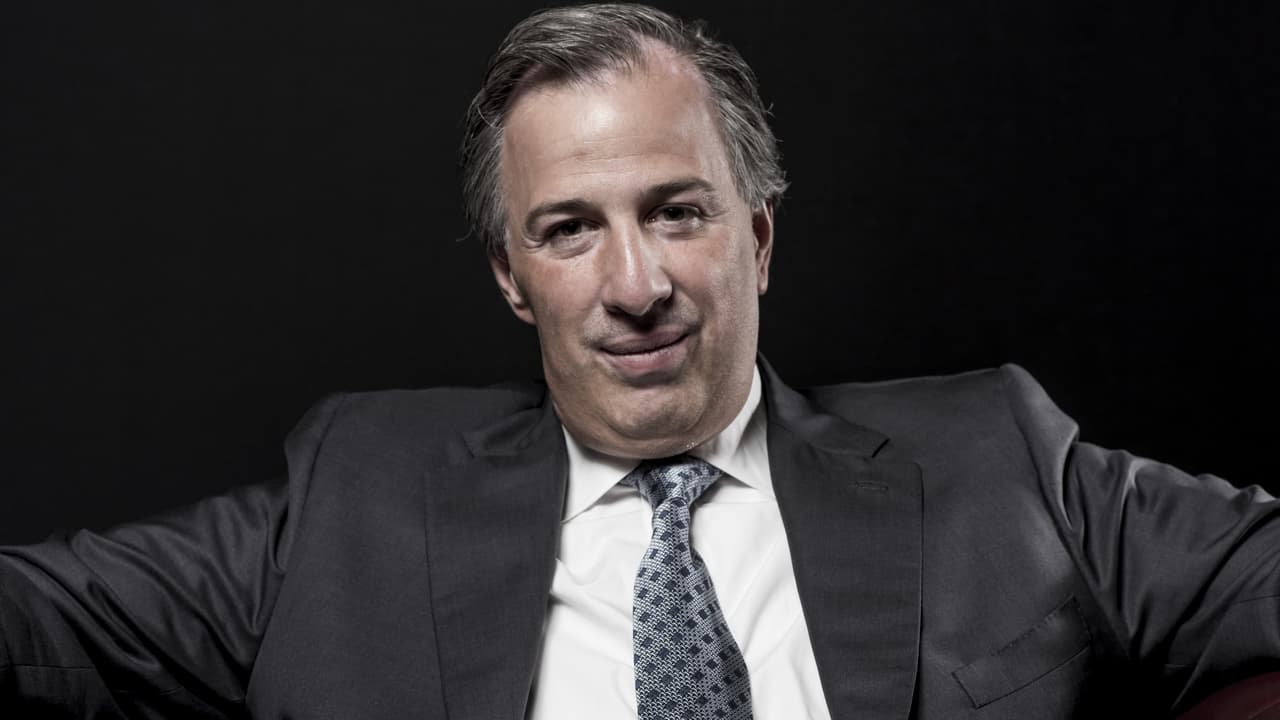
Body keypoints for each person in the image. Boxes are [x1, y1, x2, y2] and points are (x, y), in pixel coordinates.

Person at [2, 3, 1277, 719]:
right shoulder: (351, 497)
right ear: (512, 277)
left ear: (755, 238)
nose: (634, 285)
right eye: (569, 229)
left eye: (676, 212)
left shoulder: (995, 456)